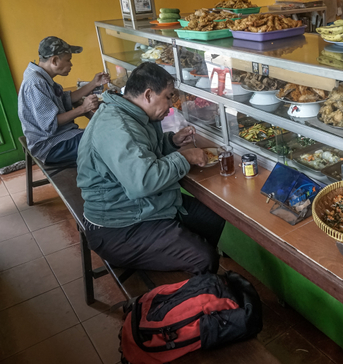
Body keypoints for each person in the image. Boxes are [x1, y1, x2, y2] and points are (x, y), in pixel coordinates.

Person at [76, 62, 225, 274]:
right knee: (203, 258)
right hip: (119, 226)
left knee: (212, 217)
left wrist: (171, 141)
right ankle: (193, 291)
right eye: (168, 96)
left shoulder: (132, 114)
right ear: (148, 95)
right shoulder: (117, 125)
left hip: (143, 207)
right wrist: (185, 157)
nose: (171, 105)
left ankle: (198, 279)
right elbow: (143, 182)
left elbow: (142, 150)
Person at [18, 36, 110, 164]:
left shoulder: (40, 77)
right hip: (51, 146)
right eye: (68, 60)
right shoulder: (36, 83)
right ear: (54, 60)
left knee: (106, 135)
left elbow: (65, 99)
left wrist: (94, 83)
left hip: (60, 137)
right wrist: (83, 108)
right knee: (108, 140)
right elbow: (50, 123)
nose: (71, 64)